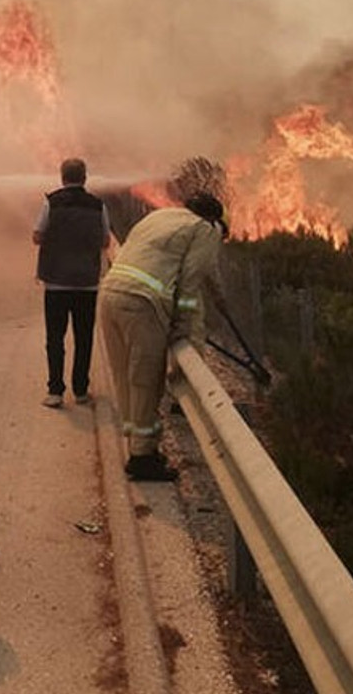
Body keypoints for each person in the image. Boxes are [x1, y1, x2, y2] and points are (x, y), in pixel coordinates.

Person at [98, 156, 229, 482]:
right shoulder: (205, 230)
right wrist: (183, 328)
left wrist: (220, 299)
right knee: (146, 380)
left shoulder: (162, 218)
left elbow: (203, 274)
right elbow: (191, 280)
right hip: (143, 305)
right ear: (214, 220)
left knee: (126, 377)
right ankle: (142, 459)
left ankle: (136, 441)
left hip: (110, 294)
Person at [33, 157, 111, 408]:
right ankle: (80, 390)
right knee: (84, 337)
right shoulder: (98, 206)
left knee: (55, 337)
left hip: (55, 283)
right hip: (87, 284)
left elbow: (37, 236)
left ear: (62, 177)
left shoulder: (50, 202)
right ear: (84, 177)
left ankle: (55, 391)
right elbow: (106, 241)